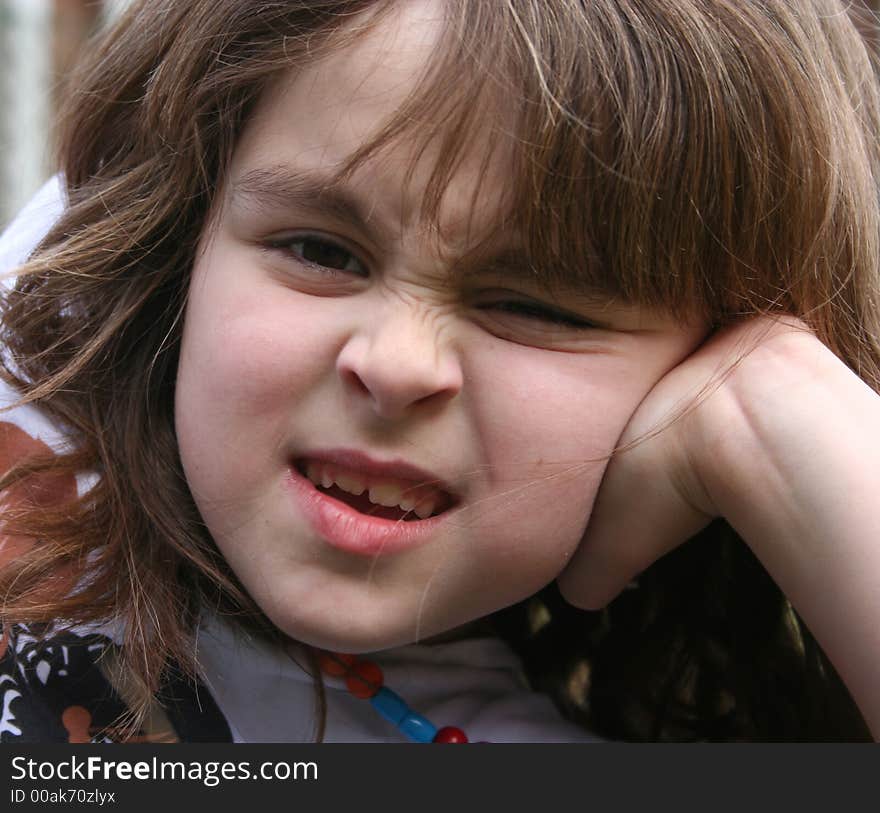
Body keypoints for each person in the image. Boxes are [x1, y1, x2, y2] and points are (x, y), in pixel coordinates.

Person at [0, 0, 878, 743]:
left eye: (538, 307)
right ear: (173, 241)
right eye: (320, 250)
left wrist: (770, 419)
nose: (395, 366)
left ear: (697, 354)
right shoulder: (35, 372)